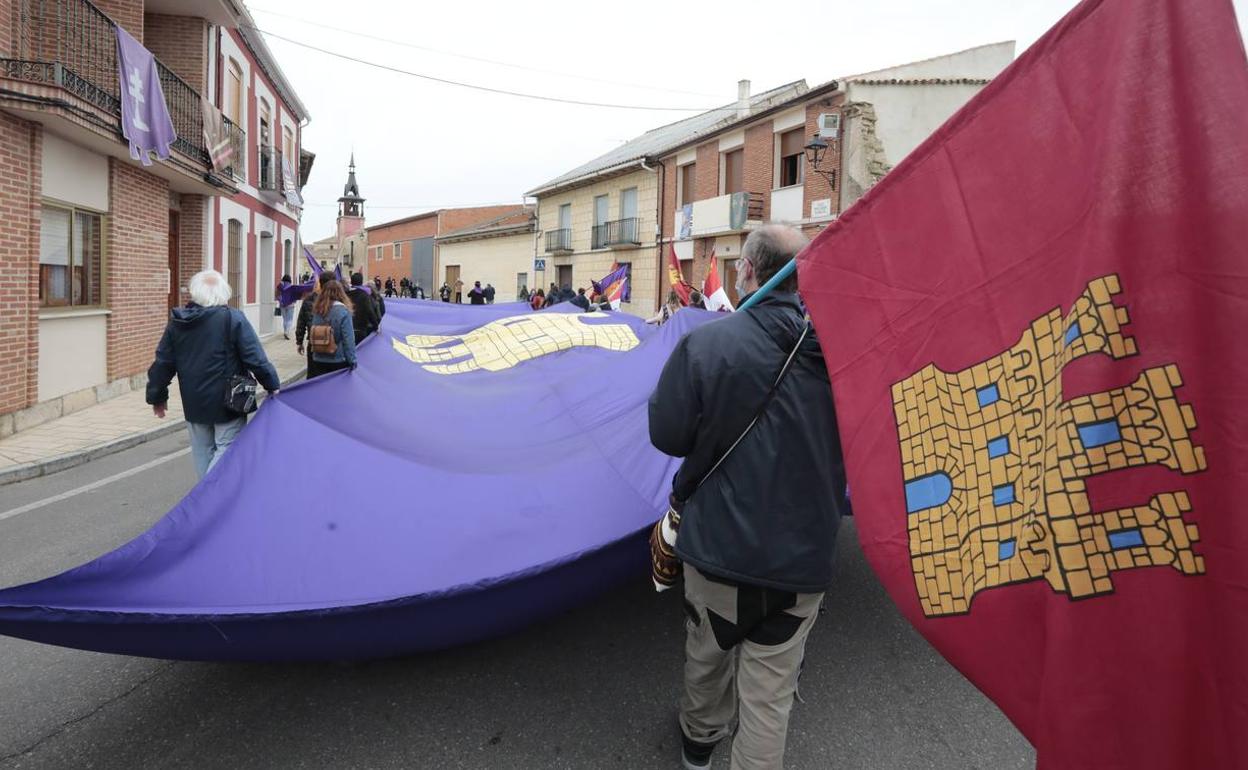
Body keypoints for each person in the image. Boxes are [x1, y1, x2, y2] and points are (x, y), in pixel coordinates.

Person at [647, 225, 848, 770]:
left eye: (739, 265)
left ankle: (697, 747)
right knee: (770, 701)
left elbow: (666, 435)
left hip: (718, 554)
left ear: (752, 271)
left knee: (706, 661)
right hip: (802, 563)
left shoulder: (708, 344)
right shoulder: (845, 357)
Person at [146, 270, 280, 479]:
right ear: (224, 292)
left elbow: (163, 363)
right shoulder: (232, 318)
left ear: (194, 293)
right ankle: (208, 500)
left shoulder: (178, 323)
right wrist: (272, 384)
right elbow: (255, 358)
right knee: (227, 450)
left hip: (194, 401)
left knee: (203, 453)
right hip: (229, 401)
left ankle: (207, 498)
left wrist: (157, 397)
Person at [307, 279, 358, 379]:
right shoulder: (343, 311)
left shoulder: (318, 309)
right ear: (341, 293)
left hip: (318, 358)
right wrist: (352, 360)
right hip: (337, 359)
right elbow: (348, 339)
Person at [296, 272, 336, 368]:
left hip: (314, 342)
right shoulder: (337, 300)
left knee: (313, 373)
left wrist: (299, 342)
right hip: (333, 343)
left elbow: (301, 322)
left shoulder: (308, 299)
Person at [348, 272, 380, 343]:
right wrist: (376, 326)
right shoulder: (364, 295)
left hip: (347, 329)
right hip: (360, 329)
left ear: (351, 281)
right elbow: (369, 311)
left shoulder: (345, 294)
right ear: (361, 282)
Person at [276, 274, 296, 339]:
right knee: (289, 319)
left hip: (282, 304)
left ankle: (285, 331)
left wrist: (280, 301)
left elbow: (277, 294)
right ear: (290, 279)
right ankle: (286, 332)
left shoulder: (280, 286)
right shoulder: (291, 286)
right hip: (291, 305)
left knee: (285, 319)